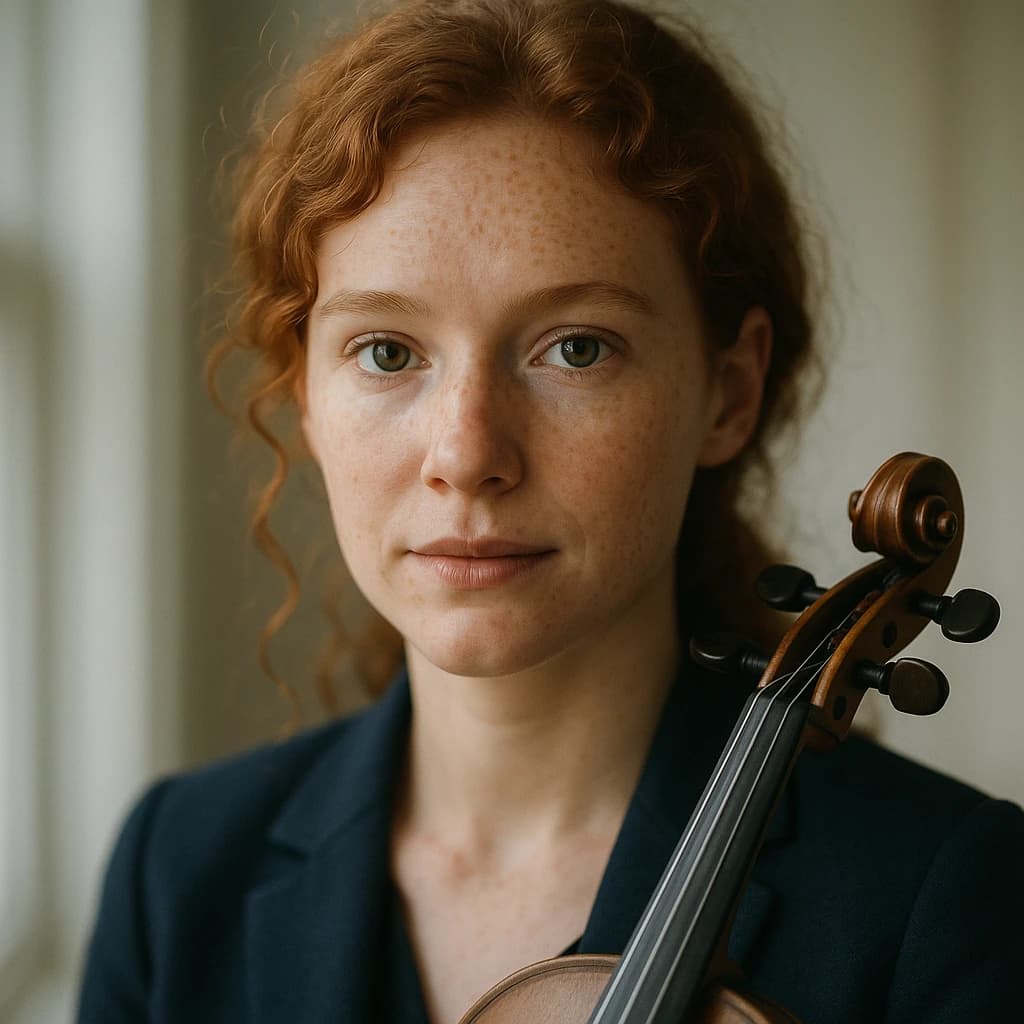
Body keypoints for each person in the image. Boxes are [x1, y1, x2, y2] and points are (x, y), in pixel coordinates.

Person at [77, 1, 1024, 1021]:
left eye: (576, 348)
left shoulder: (945, 901)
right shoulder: (177, 870)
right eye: (387, 351)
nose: (466, 455)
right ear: (304, 391)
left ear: (729, 390)